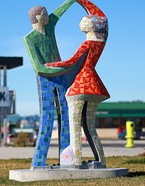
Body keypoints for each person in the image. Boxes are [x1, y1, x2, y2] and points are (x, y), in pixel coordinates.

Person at [46, 15, 110, 168]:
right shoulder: (100, 42)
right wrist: (79, 0)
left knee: (75, 125)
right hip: (95, 85)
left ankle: (76, 160)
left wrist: (50, 64)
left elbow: (71, 61)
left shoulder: (87, 43)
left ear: (89, 26)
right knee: (90, 125)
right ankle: (100, 159)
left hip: (81, 86)